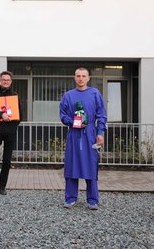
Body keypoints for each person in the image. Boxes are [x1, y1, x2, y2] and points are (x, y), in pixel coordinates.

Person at [59, 67, 107, 210]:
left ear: (88, 78)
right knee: (72, 164)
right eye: (78, 76)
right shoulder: (68, 95)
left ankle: (92, 199)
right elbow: (63, 115)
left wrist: (100, 132)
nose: (80, 78)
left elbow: (101, 114)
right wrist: (73, 122)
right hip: (74, 134)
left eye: (83, 76)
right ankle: (70, 198)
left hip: (90, 134)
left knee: (91, 164)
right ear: (75, 78)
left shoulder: (94, 94)